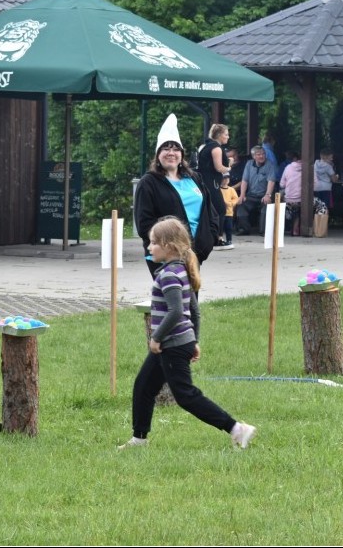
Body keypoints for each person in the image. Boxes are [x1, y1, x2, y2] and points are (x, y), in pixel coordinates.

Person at [118, 217, 257, 450]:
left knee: (185, 395)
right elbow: (194, 311)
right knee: (143, 386)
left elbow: (176, 312)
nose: (149, 247)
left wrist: (156, 337)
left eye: (153, 243)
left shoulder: (169, 275)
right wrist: (194, 340)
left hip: (171, 345)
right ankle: (139, 439)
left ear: (169, 246)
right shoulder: (179, 270)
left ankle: (236, 429)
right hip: (179, 342)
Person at [134, 114, 219, 277]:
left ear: (181, 154)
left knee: (191, 300)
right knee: (171, 297)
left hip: (195, 252)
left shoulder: (195, 178)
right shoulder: (148, 183)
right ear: (158, 155)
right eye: (165, 148)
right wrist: (171, 245)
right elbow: (144, 224)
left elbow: (210, 211)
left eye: (175, 149)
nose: (171, 153)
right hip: (166, 255)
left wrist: (210, 237)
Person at [196, 123, 231, 247]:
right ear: (220, 135)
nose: (228, 137)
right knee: (220, 209)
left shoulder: (205, 146)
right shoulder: (216, 148)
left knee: (209, 210)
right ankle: (218, 238)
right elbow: (218, 167)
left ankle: (210, 236)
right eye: (226, 134)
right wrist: (229, 167)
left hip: (203, 181)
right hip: (211, 182)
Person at [236, 145, 277, 236]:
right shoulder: (249, 164)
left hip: (264, 195)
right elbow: (244, 180)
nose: (261, 156)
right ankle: (244, 229)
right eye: (258, 154)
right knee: (241, 205)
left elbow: (271, 181)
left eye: (263, 154)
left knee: (266, 207)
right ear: (253, 156)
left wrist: (268, 195)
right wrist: (242, 195)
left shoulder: (270, 164)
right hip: (251, 195)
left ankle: (264, 231)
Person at [278, 151, 304, 235]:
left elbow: (282, 184)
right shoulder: (309, 167)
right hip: (303, 199)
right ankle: (299, 228)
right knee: (321, 205)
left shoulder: (287, 167)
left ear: (295, 159)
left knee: (281, 198)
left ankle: (283, 223)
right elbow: (315, 185)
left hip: (289, 198)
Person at [220, 180, 238, 249]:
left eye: (227, 179)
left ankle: (229, 240)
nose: (225, 181)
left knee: (229, 228)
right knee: (220, 228)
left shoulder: (231, 189)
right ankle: (220, 239)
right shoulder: (219, 189)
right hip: (221, 212)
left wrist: (231, 204)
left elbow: (235, 198)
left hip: (229, 212)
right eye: (224, 179)